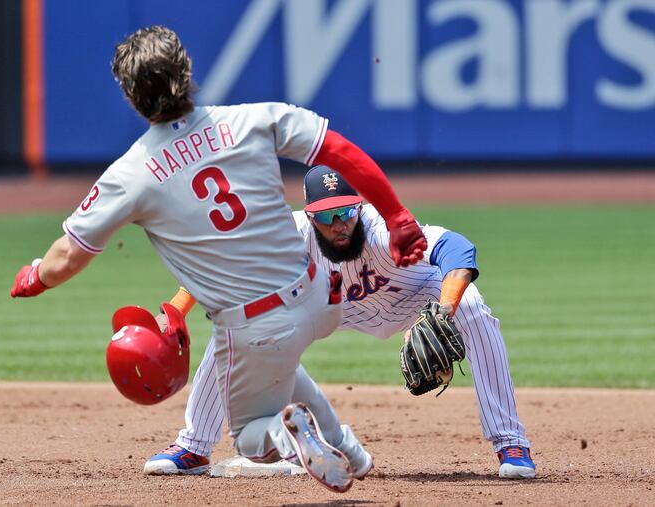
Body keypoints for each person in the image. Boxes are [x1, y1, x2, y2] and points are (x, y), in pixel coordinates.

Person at [9, 26, 428, 493]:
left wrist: (35, 278)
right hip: (318, 294)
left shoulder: (130, 173)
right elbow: (341, 153)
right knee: (281, 369)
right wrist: (397, 217)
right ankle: (349, 450)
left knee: (249, 437)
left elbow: (67, 255)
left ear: (131, 96)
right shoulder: (256, 118)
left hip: (255, 327)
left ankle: (285, 439)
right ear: (187, 74)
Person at [144, 166, 537, 480]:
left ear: (360, 207)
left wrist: (445, 310)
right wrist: (175, 312)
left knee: (471, 308)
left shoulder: (385, 231)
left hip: (415, 298)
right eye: (327, 216)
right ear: (310, 216)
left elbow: (457, 247)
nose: (340, 224)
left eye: (347, 211)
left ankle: (510, 443)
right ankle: (193, 446)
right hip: (334, 306)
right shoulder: (289, 235)